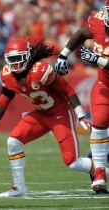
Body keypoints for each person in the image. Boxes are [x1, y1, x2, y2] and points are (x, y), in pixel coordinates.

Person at [0, 38, 105, 197]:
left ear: (28, 57)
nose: (16, 63)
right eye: (12, 59)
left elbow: (68, 91)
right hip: (42, 114)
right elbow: (2, 103)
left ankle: (101, 170)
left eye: (19, 58)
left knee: (72, 162)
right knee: (13, 141)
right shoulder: (8, 75)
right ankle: (19, 188)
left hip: (60, 113)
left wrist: (80, 115)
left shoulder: (41, 71)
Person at [55, 1, 109, 193]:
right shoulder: (98, 22)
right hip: (105, 85)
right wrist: (63, 54)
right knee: (100, 121)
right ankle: (100, 171)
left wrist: (97, 59)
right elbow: (82, 34)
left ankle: (100, 160)